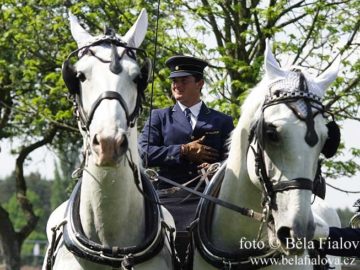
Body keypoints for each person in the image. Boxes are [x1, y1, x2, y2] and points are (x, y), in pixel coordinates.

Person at [138, 55, 234, 265]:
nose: (177, 85)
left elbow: (234, 161)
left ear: (199, 83)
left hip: (209, 198)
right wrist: (183, 150)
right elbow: (143, 153)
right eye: (174, 81)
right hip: (167, 198)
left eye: (184, 80)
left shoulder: (222, 121)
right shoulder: (159, 117)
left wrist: (216, 169)